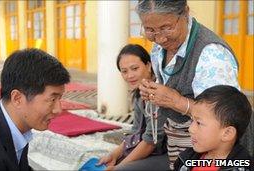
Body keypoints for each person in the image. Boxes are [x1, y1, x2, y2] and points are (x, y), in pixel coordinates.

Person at [136, 0, 239, 169]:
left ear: (185, 12)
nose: (160, 38)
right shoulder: (158, 48)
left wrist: (176, 101)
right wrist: (154, 93)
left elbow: (224, 118)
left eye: (167, 27)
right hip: (178, 147)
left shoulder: (211, 53)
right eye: (150, 30)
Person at [97, 44, 168, 170]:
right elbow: (135, 132)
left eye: (134, 68)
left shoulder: (158, 94)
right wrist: (114, 155)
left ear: (148, 65)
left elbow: (149, 143)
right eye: (124, 71)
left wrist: (119, 167)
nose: (129, 76)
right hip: (152, 150)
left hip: (170, 155)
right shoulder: (139, 94)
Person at [174, 85, 253, 171]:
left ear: (227, 133)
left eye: (199, 123)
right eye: (192, 120)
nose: (191, 129)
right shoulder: (186, 158)